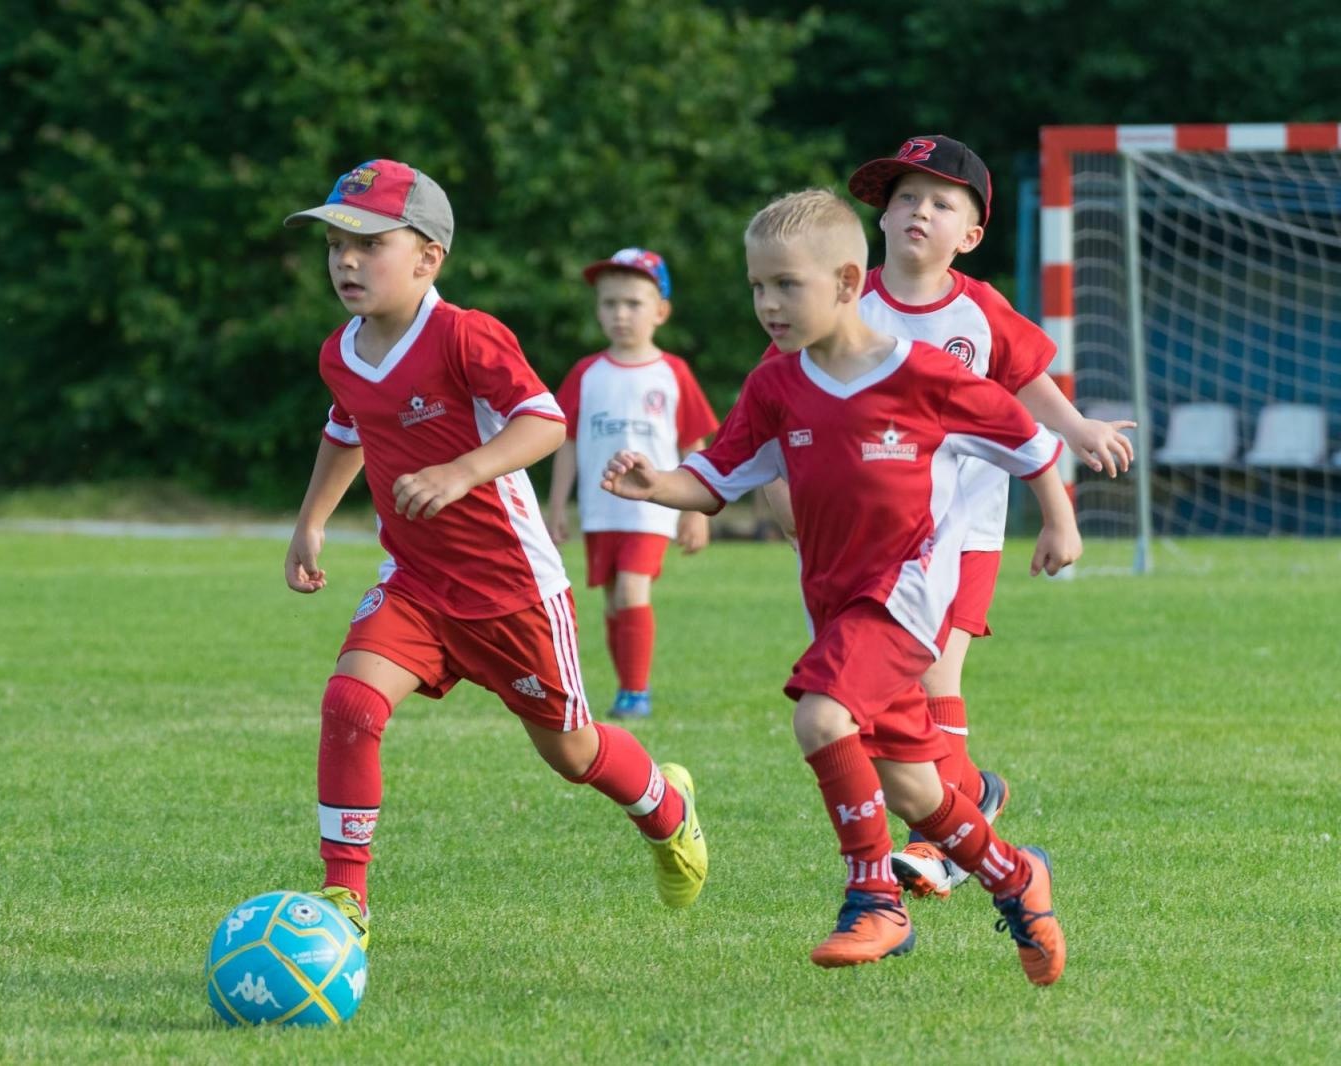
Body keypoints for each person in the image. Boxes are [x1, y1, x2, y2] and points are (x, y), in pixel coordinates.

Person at [600, 188, 1075, 984]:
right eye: (758, 286)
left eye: (787, 285)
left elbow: (1027, 440)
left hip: (907, 595)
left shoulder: (922, 375)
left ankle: (874, 899)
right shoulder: (776, 387)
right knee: (915, 790)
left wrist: (1059, 520)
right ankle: (1016, 878)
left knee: (821, 717)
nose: (768, 303)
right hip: (832, 599)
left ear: (849, 282)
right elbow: (717, 475)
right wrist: (658, 484)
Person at [281, 159, 708, 946]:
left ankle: (665, 809)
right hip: (415, 584)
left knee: (572, 752)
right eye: (336, 244)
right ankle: (346, 900)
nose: (346, 260)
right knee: (349, 704)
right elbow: (346, 427)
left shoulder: (464, 334)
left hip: (512, 592)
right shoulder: (341, 351)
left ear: (428, 257)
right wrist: (311, 521)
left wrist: (461, 472)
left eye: (369, 243)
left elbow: (544, 422)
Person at [845, 135, 1135, 898]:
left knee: (934, 676)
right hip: (874, 537)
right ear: (881, 215)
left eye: (941, 203)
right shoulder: (849, 307)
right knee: (887, 700)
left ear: (969, 237)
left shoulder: (978, 311)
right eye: (906, 197)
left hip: (964, 530)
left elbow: (1027, 380)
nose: (920, 211)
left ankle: (934, 841)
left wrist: (1077, 430)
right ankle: (974, 794)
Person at [548, 248, 720, 718]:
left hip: (653, 508)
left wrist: (696, 510)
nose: (620, 314)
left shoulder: (672, 373)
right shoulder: (586, 373)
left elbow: (694, 444)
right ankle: (626, 685)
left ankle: (636, 692)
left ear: (661, 311)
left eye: (633, 303)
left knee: (630, 589)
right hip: (600, 509)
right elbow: (565, 441)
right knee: (611, 598)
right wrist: (558, 507)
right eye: (609, 303)